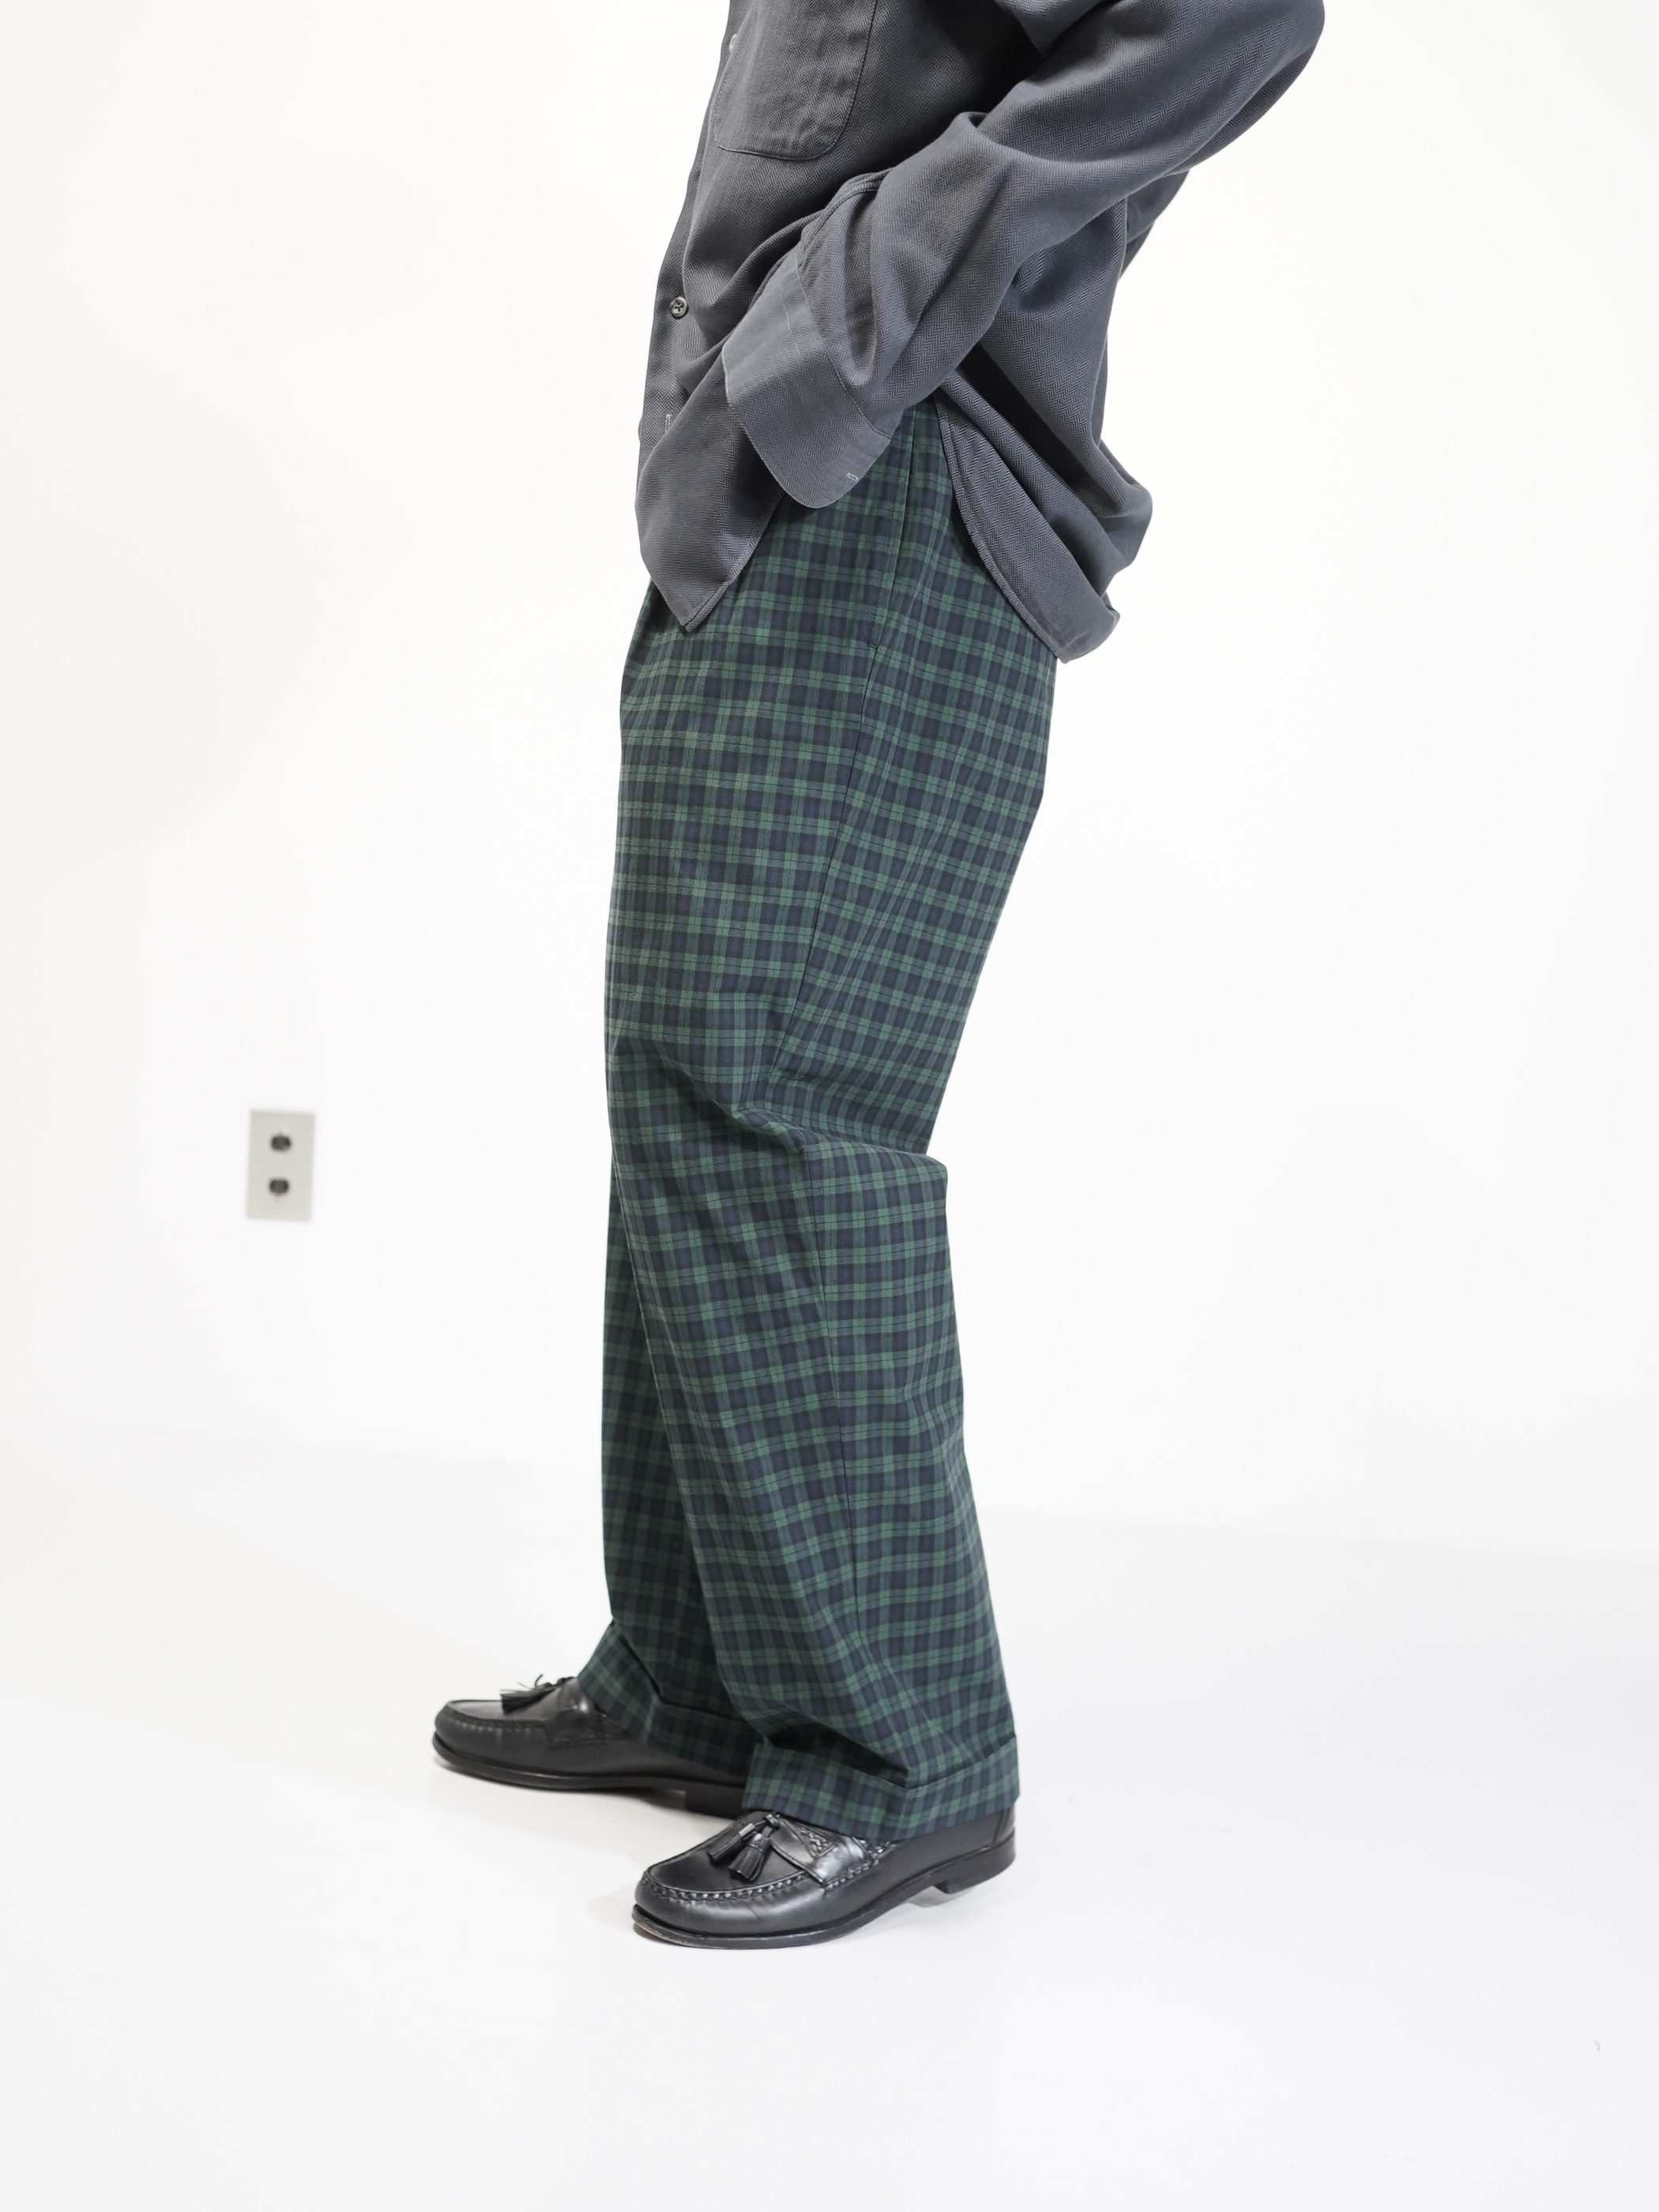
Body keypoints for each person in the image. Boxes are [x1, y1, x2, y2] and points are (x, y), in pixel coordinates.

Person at [434, 0, 1323, 1949]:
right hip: (797, 467)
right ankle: (694, 1672)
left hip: (891, 465)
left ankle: (894, 1749)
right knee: (692, 1077)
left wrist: (853, 299)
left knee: (775, 1093)